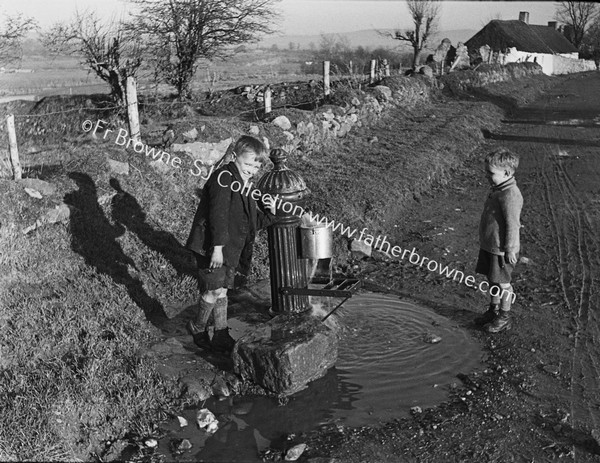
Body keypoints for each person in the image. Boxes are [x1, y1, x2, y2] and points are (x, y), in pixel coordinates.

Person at [185, 136, 277, 353]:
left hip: (230, 248)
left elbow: (252, 221)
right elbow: (217, 215)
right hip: (213, 247)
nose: (252, 170)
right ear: (234, 157)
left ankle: (220, 332)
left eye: (256, 166)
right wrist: (216, 249)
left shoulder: (245, 185)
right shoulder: (224, 178)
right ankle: (197, 326)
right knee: (213, 290)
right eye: (248, 164)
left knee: (223, 290)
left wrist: (270, 212)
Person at [474, 148, 523, 333]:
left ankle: (504, 317)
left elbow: (513, 224)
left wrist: (510, 249)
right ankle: (493, 310)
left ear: (507, 173)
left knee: (503, 284)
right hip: (491, 246)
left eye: (491, 173)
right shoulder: (498, 189)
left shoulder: (510, 195)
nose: (487, 175)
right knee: (493, 280)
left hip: (501, 249)